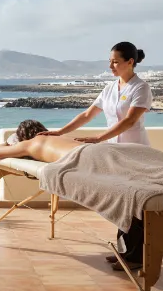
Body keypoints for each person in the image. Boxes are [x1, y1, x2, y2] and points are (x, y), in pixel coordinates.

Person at [36, 42, 152, 271]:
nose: (111, 65)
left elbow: (129, 121)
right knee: (121, 201)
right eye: (110, 61)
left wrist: (98, 139)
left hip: (135, 152)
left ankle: (137, 256)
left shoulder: (141, 88)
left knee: (135, 202)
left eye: (116, 61)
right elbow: (88, 114)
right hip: (113, 153)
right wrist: (60, 131)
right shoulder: (110, 88)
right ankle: (124, 252)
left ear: (130, 62)